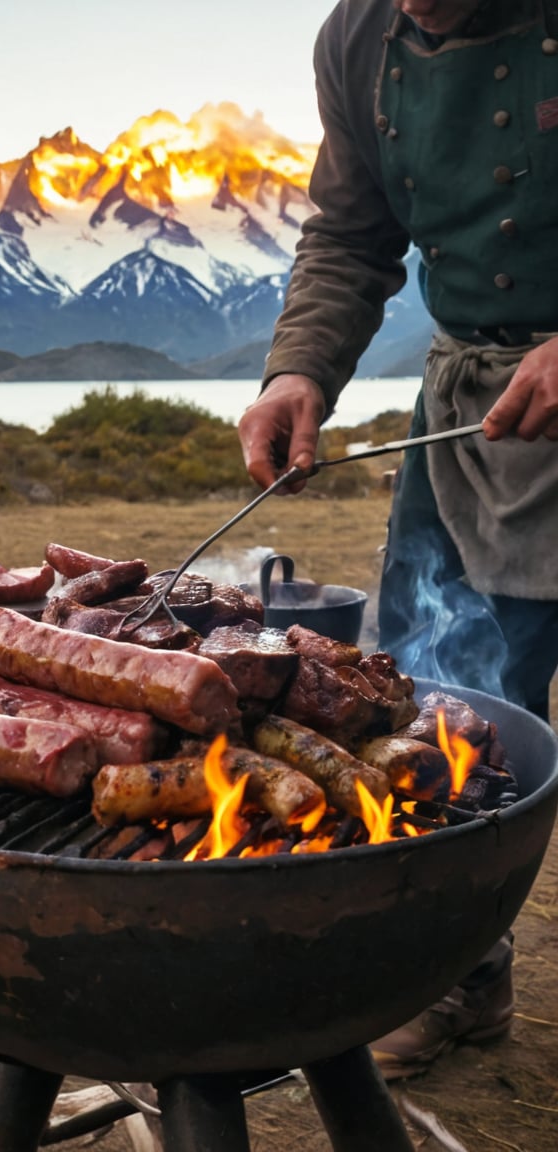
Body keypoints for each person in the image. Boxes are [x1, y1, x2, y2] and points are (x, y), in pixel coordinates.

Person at [237, 0, 558, 1079]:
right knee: (435, 702)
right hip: (472, 413)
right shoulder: (359, 39)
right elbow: (347, 234)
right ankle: (462, 981)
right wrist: (299, 372)